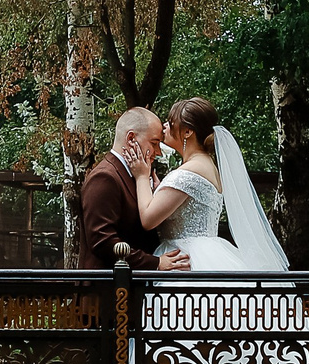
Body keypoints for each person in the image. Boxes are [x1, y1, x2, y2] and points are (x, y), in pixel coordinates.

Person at [125, 98, 289, 273]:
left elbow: (148, 220)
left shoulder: (188, 172)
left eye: (171, 123)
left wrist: (142, 176)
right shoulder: (207, 165)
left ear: (187, 131)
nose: (165, 126)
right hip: (209, 253)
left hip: (186, 260)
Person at [80, 108, 193, 272]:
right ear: (131, 138)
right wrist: (155, 263)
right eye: (154, 143)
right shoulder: (105, 177)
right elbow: (102, 240)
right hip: (106, 291)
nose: (158, 152)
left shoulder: (136, 174)